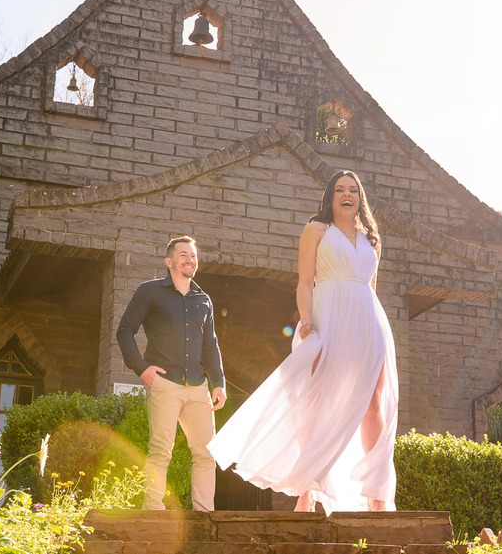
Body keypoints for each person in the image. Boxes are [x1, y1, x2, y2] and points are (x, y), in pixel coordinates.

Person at [208, 170, 398, 513]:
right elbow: (305, 281)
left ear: (360, 198)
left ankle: (377, 495)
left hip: (368, 323)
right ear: (331, 197)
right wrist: (307, 319)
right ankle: (307, 490)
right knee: (318, 402)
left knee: (373, 405)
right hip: (329, 318)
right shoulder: (316, 230)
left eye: (353, 190)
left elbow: (371, 288)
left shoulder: (372, 239)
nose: (347, 194)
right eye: (340, 189)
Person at [117, 236, 228, 511]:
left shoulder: (204, 300)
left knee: (206, 454)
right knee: (160, 451)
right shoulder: (149, 292)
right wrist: (141, 368)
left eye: (193, 255)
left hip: (198, 386)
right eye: (183, 255)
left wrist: (218, 382)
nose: (190, 260)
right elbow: (125, 330)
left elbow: (210, 344)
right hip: (164, 383)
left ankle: (204, 515)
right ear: (169, 261)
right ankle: (153, 511)